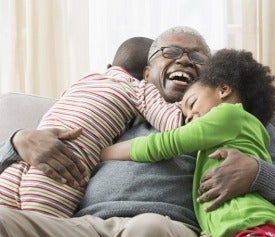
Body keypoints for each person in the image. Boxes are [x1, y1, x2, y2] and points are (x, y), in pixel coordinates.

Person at [0, 26, 275, 236]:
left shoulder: (235, 121)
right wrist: (18, 141)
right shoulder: (109, 112)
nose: (184, 60)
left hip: (162, 227)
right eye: (169, 53)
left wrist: (258, 173)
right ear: (145, 71)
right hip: (80, 227)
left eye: (198, 57)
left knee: (147, 228)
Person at [101, 48, 275, 237]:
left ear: (223, 90)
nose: (190, 118)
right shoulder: (229, 135)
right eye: (186, 116)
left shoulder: (230, 115)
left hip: (253, 225)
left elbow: (165, 144)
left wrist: (103, 153)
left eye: (192, 104)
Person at [0, 36, 182, 218]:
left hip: (16, 167)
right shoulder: (139, 88)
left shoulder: (86, 79)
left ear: (109, 67)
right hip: (61, 171)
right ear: (147, 74)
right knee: (41, 226)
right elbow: (174, 124)